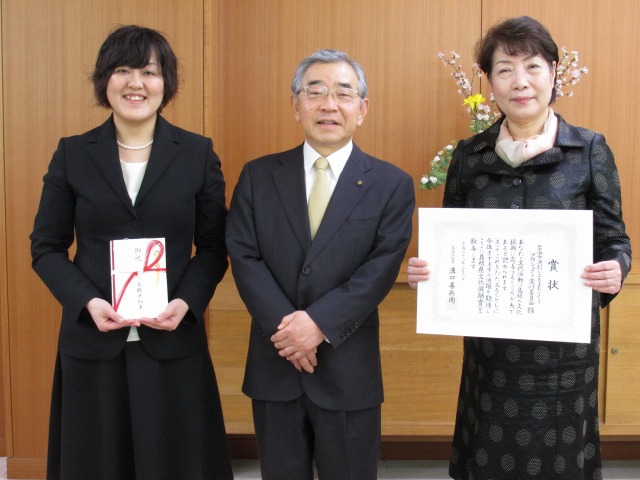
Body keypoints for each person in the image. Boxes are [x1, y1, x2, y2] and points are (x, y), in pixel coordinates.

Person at [407, 16, 631, 480]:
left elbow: (615, 239)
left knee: (561, 462)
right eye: (504, 69)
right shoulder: (470, 155)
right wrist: (428, 274)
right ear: (489, 82)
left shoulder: (588, 149)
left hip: (564, 355)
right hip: (493, 353)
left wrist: (615, 269)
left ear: (554, 71)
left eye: (532, 65)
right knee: (489, 456)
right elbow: (450, 239)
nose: (520, 81)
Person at [30, 25, 233, 480]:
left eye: (149, 71)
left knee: (175, 464)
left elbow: (215, 247)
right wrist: (87, 301)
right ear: (105, 80)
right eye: (123, 70)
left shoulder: (197, 154)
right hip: (94, 339)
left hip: (172, 338)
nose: (136, 83)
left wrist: (186, 302)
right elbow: (45, 247)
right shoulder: (73, 154)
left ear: (167, 84)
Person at [225, 49, 415, 480]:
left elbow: (379, 270)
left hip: (349, 368)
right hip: (277, 363)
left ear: (362, 109)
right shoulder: (258, 176)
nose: (329, 104)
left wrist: (318, 325)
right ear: (296, 105)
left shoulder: (391, 184)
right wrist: (289, 330)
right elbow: (244, 255)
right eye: (315, 92)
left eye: (343, 93)